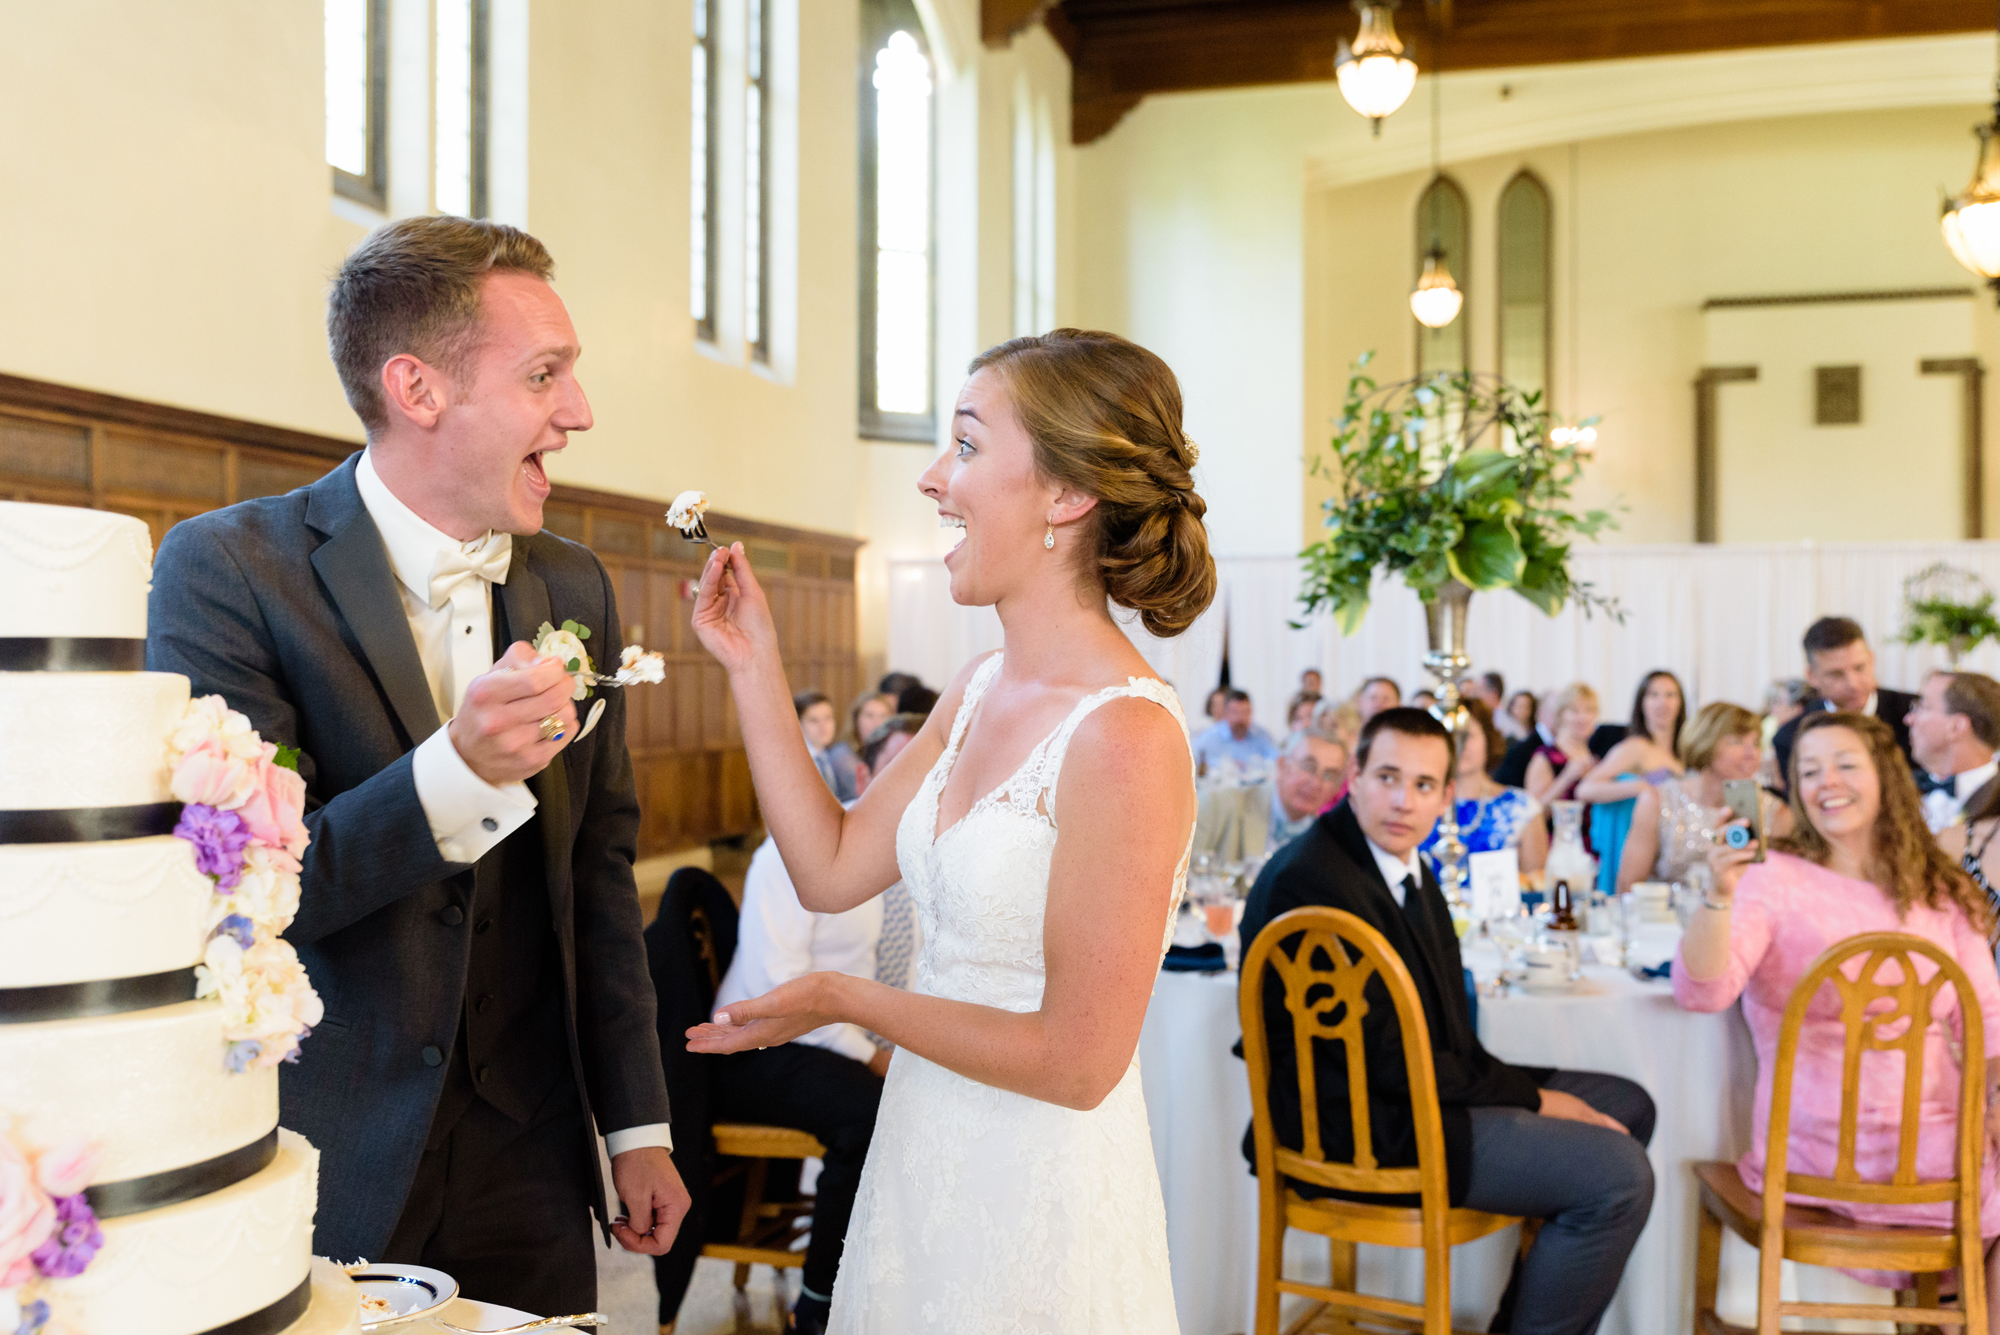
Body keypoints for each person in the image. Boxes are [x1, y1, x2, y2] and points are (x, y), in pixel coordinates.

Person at [146, 216, 686, 1314]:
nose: (577, 413)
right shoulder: (230, 572)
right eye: (546, 375)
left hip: (529, 1154)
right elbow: (235, 898)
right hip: (330, 1147)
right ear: (418, 389)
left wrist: (636, 1124)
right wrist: (459, 773)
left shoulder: (573, 587)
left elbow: (597, 872)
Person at [684, 327, 1215, 1330]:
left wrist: (850, 998)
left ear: (1065, 496)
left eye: (966, 446)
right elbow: (828, 868)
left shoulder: (1124, 737)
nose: (934, 478)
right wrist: (752, 665)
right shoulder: (975, 689)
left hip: (1035, 1190)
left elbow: (1076, 1061)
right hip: (921, 1157)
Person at [1239, 708, 1656, 1335]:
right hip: (1364, 1125)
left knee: (1629, 1105)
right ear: (1353, 776)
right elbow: (1388, 1061)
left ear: (1447, 796)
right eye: (1386, 776)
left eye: (1424, 785)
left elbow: (1446, 1034)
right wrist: (1534, 1098)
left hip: (1421, 1092)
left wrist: (1531, 1097)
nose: (1403, 800)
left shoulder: (1407, 866)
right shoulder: (1311, 883)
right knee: (1618, 1176)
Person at [1677, 711, 2000, 1297]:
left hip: (1928, 1158)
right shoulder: (1770, 877)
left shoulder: (1941, 888)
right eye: (1808, 771)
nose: (1827, 782)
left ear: (1885, 775)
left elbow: (1990, 1022)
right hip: (1834, 1158)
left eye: (1845, 765)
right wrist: (1719, 895)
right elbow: (1704, 989)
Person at [701, 715, 925, 1334]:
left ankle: (907, 1290)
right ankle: (822, 1305)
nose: (920, 786)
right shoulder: (799, 851)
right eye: (902, 771)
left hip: (848, 1039)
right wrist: (874, 1054)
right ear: (865, 775)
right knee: (872, 1116)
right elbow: (781, 996)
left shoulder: (932, 858)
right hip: (759, 1046)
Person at [1616, 703, 1789, 895]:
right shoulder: (1658, 801)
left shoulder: (1776, 812)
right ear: (1706, 742)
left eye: (1756, 744)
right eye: (1737, 742)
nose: (1751, 754)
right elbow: (1628, 886)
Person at [1770, 616, 1917, 795]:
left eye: (1859, 667)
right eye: (1836, 674)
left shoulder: (1916, 714)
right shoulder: (1790, 738)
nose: (1853, 684)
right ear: (1812, 676)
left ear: (1871, 659)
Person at [1577, 671, 1688, 895]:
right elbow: (1585, 789)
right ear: (1642, 703)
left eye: (1670, 695)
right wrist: (1639, 787)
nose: (1662, 702)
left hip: (1671, 851)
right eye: (1653, 695)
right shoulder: (1636, 747)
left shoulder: (1684, 754)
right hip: (1637, 847)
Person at [1420, 697, 1548, 873]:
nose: (1459, 744)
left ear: (1487, 739)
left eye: (1467, 735)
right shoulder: (1418, 803)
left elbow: (1536, 886)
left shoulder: (1522, 807)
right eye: (1450, 735)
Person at [1193, 724, 1347, 864]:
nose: (1316, 783)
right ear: (1281, 766)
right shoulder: (1216, 806)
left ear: (1336, 788)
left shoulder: (1329, 843)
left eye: (1329, 776)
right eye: (1308, 767)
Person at [1908, 670, 2000, 834]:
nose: (1909, 719)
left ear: (1956, 727)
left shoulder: (1995, 802)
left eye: (1923, 707)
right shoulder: (1902, 787)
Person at [1524, 682, 1600, 806]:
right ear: (1561, 714)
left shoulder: (1595, 758)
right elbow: (1533, 814)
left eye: (1589, 710)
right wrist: (1566, 778)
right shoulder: (1544, 758)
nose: (1583, 718)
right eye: (1575, 711)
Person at [1193, 687, 1280, 784]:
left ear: (1251, 712)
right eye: (1235, 712)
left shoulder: (1261, 736)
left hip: (1255, 794)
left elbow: (1277, 761)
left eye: (1244, 712)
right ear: (1226, 713)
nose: (1240, 718)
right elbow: (1189, 758)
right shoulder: (1210, 736)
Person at [826, 689, 896, 805]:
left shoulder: (885, 752)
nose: (877, 723)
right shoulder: (842, 754)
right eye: (869, 716)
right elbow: (866, 797)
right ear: (856, 719)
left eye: (883, 716)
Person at [797, 689, 854, 801]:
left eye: (828, 718)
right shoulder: (798, 762)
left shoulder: (826, 756)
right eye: (814, 720)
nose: (823, 727)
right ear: (799, 724)